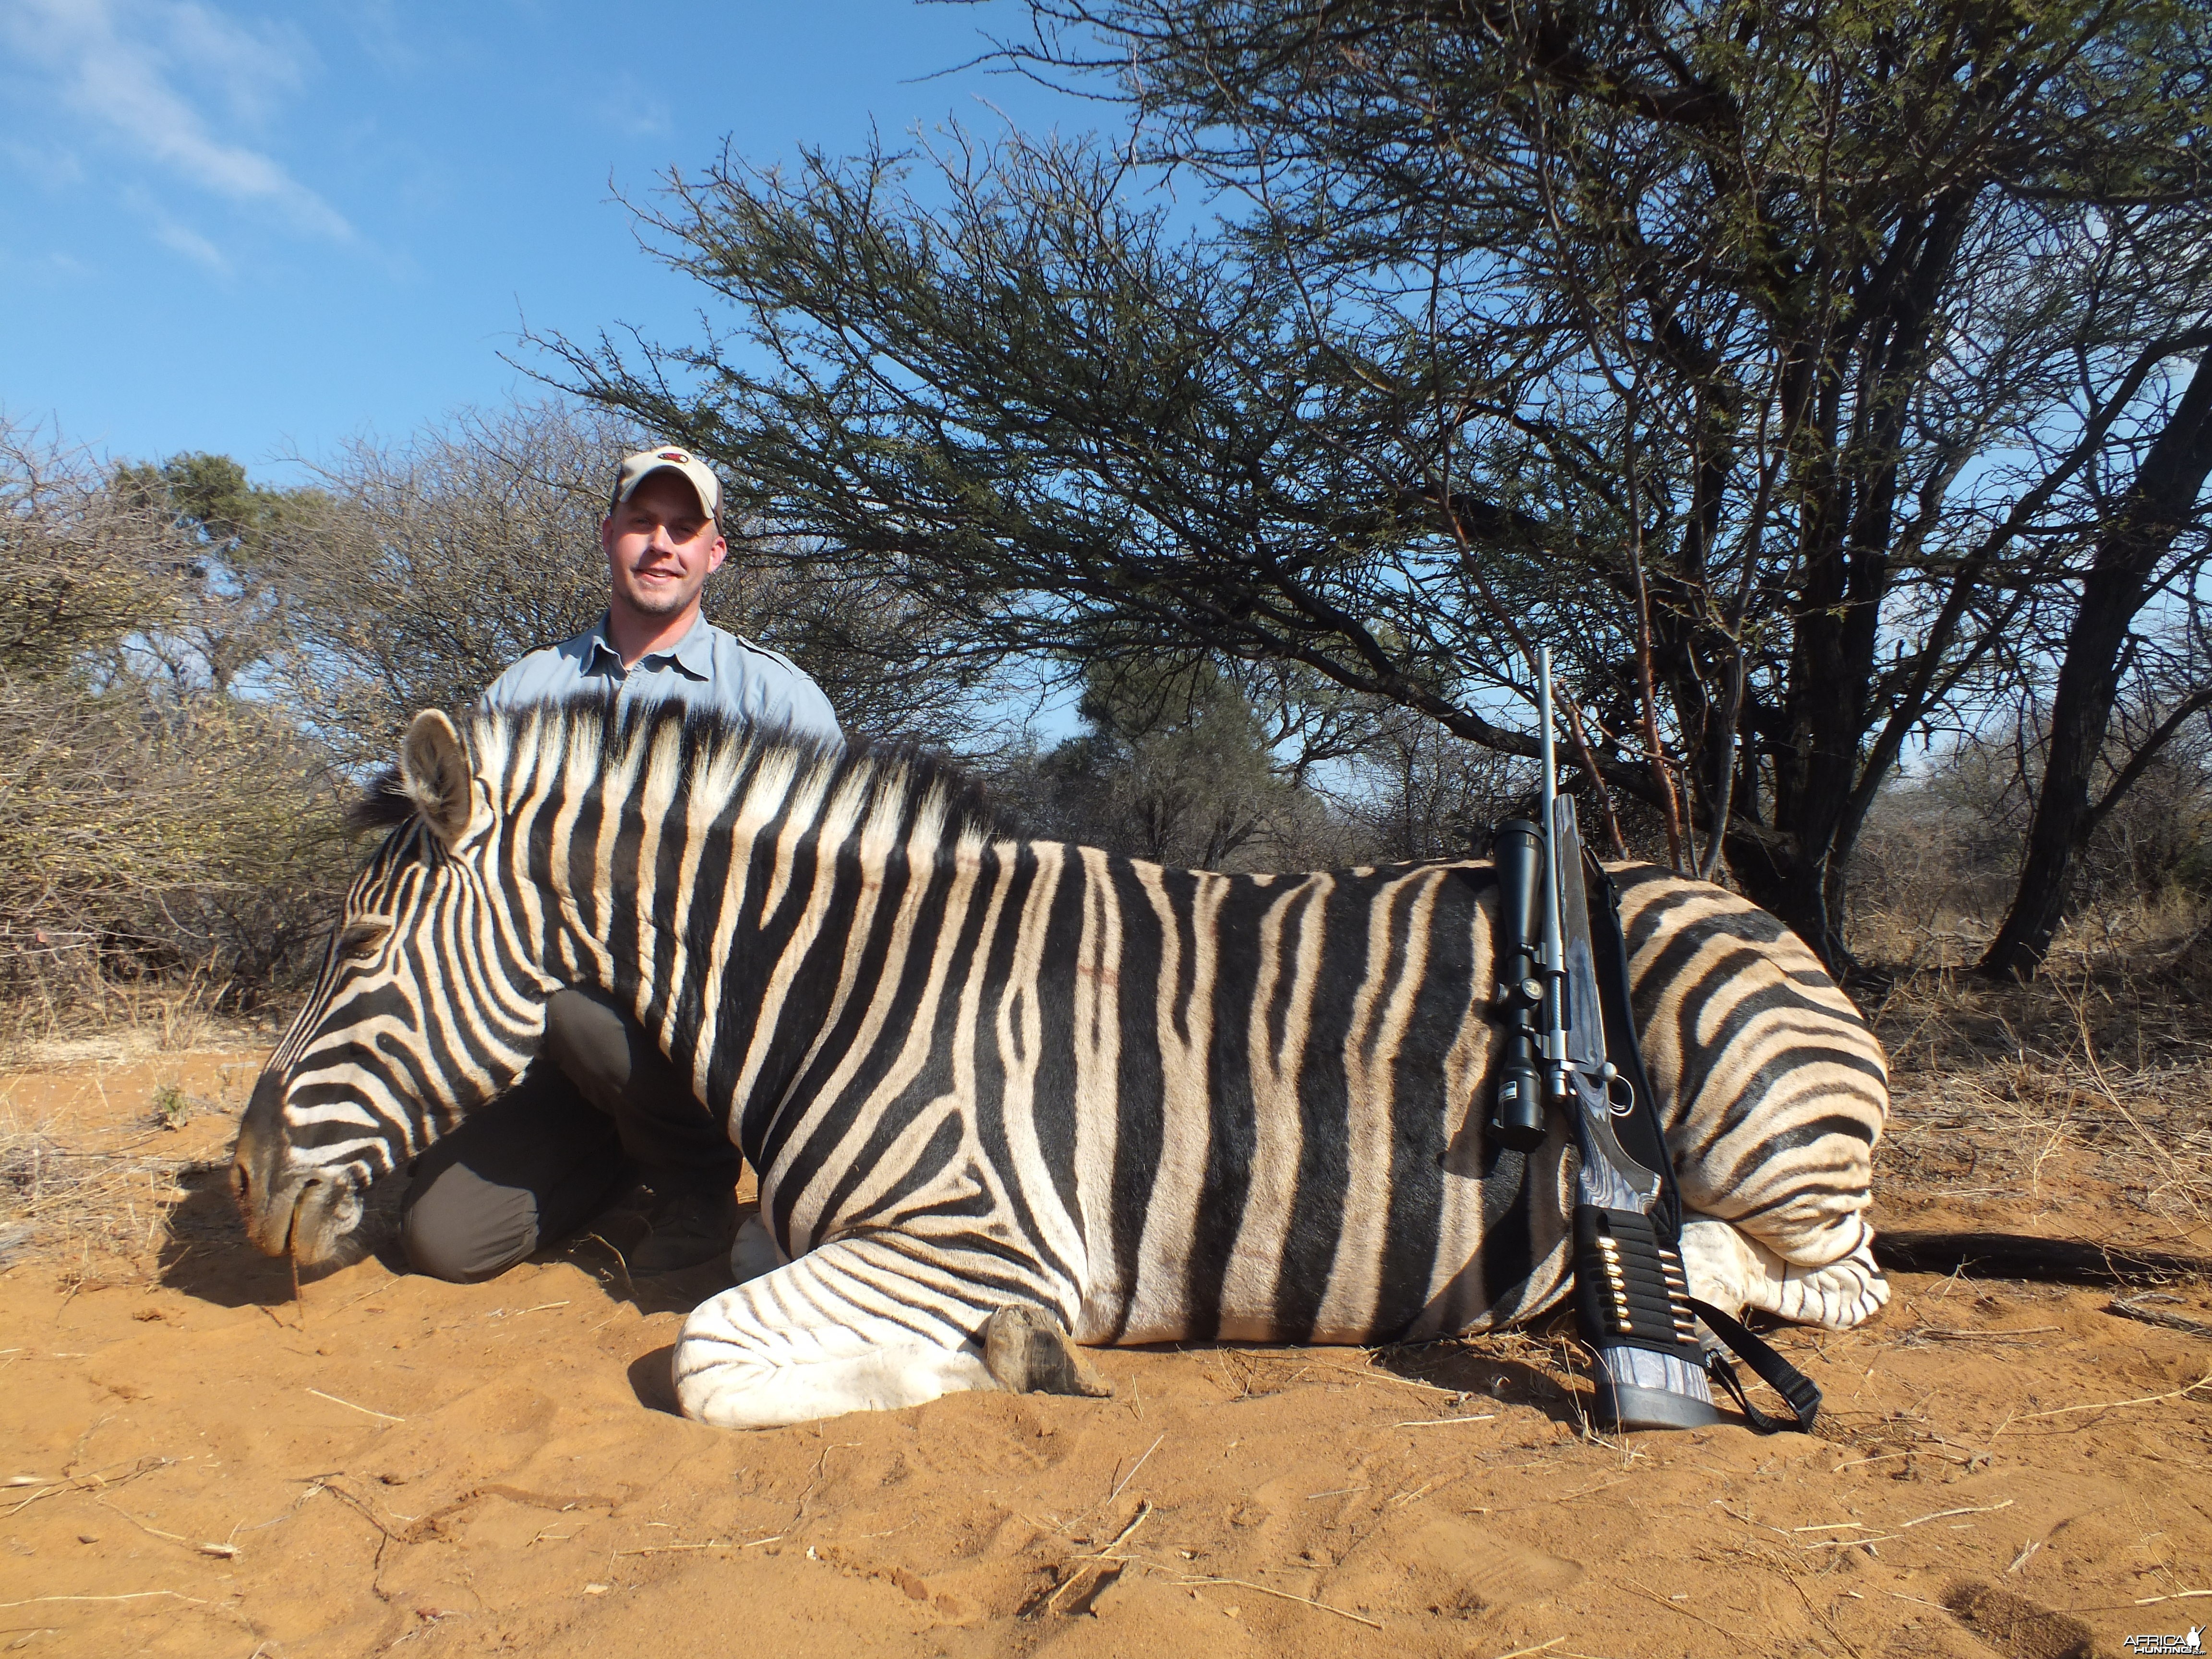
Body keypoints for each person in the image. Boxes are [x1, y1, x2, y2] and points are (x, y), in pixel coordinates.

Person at [397, 446, 842, 1282]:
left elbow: (836, 896)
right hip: (547, 1049)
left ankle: (698, 1183)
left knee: (583, 1007)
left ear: (716, 552)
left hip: (717, 1047)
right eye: (642, 523)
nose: (661, 544)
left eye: (685, 528)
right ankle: (620, 1151)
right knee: (441, 1242)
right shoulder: (522, 693)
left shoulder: (775, 699)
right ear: (608, 535)